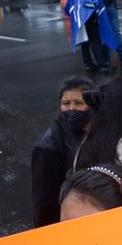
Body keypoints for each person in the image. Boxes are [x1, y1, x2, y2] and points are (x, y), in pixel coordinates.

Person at [29, 75, 91, 227]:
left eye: (78, 103)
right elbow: (44, 202)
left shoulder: (93, 130)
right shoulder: (48, 146)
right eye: (66, 103)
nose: (71, 109)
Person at [65, 0, 121, 73]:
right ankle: (102, 65)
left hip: (80, 18)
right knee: (95, 40)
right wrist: (95, 14)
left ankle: (88, 64)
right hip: (88, 17)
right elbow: (89, 2)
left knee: (84, 42)